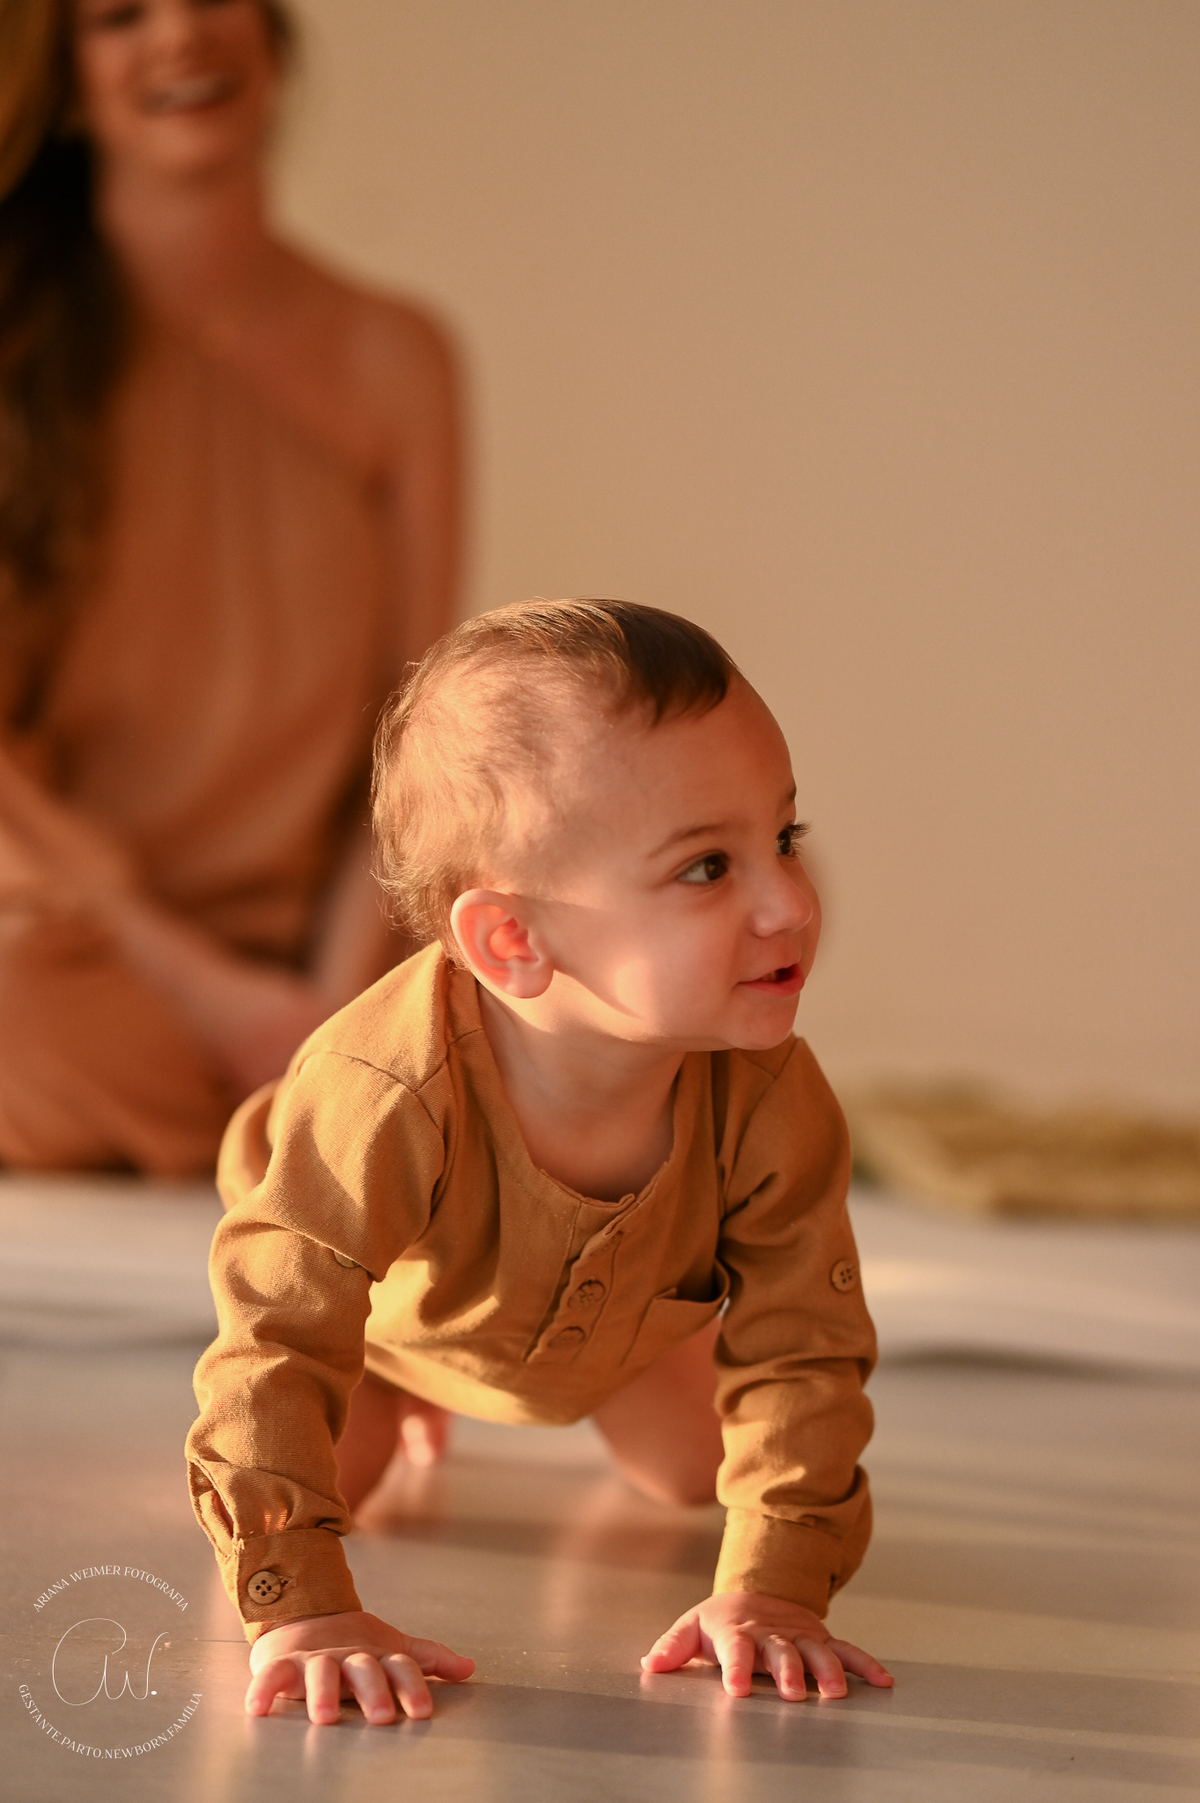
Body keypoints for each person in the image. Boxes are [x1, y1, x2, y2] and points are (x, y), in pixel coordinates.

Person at [186, 598, 894, 1725]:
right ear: (514, 940)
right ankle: (405, 1391)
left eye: (785, 838)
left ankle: (613, 1365)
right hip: (391, 1326)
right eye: (709, 867)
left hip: (625, 1326)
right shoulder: (383, 1091)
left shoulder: (771, 1097)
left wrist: (776, 1589)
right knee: (332, 1476)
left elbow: (805, 1345)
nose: (792, 903)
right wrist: (300, 1609)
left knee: (693, 1474)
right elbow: (277, 1337)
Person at [0, 0, 459, 1172]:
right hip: (79, 946)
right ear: (66, 83)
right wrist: (211, 998)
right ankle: (291, 1137)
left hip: (340, 955)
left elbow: (415, 737)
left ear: (271, 34)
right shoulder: (18, 347)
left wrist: (330, 1015)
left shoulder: (400, 356)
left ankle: (314, 1116)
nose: (178, 36)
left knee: (694, 893)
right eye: (119, 16)